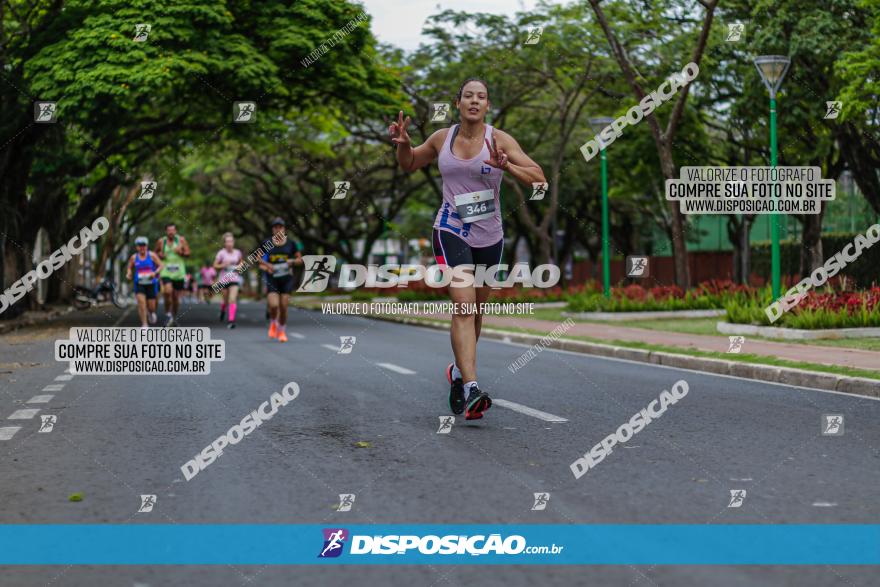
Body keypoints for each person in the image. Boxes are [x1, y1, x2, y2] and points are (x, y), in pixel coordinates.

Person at [389, 78, 546, 420]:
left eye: (482, 97)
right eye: (468, 96)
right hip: (451, 229)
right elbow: (410, 163)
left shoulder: (500, 139)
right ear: (458, 102)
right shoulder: (442, 138)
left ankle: (459, 373)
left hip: (489, 236)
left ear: (488, 105)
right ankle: (473, 388)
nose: (475, 101)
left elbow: (539, 178)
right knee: (463, 304)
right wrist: (403, 144)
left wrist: (508, 166)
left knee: (475, 313)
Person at [258, 218, 303, 342]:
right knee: (273, 305)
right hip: (272, 278)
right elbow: (259, 260)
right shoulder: (267, 243)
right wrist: (268, 267)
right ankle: (273, 323)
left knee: (283, 306)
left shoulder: (291, 244)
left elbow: (300, 260)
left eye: (280, 227)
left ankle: (281, 330)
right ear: (273, 230)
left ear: (284, 229)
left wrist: (292, 261)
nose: (278, 230)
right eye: (275, 227)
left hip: (286, 278)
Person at [154, 223, 190, 326]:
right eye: (169, 230)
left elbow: (188, 253)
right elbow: (154, 254)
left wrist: (181, 252)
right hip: (166, 271)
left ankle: (174, 317)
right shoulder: (161, 241)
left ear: (176, 231)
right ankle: (168, 315)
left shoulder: (181, 240)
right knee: (167, 292)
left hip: (179, 273)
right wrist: (159, 255)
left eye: (172, 230)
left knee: (176, 298)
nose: (171, 232)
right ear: (166, 231)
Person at [125, 236, 164, 328]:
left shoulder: (152, 255)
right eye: (140, 245)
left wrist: (154, 273)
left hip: (151, 283)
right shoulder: (134, 257)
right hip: (139, 283)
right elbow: (129, 268)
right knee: (141, 303)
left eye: (144, 245)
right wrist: (129, 273)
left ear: (147, 246)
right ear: (137, 247)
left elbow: (161, 265)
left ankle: (151, 313)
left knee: (151, 307)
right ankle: (144, 324)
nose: (142, 247)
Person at [214, 232, 244, 329]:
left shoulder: (237, 252)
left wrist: (240, 266)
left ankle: (231, 321)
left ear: (233, 242)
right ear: (224, 243)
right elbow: (215, 265)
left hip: (234, 278)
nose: (229, 243)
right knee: (225, 300)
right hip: (224, 279)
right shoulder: (221, 253)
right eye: (227, 242)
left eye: (231, 241)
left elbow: (241, 263)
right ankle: (223, 309)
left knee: (232, 299)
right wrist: (223, 265)